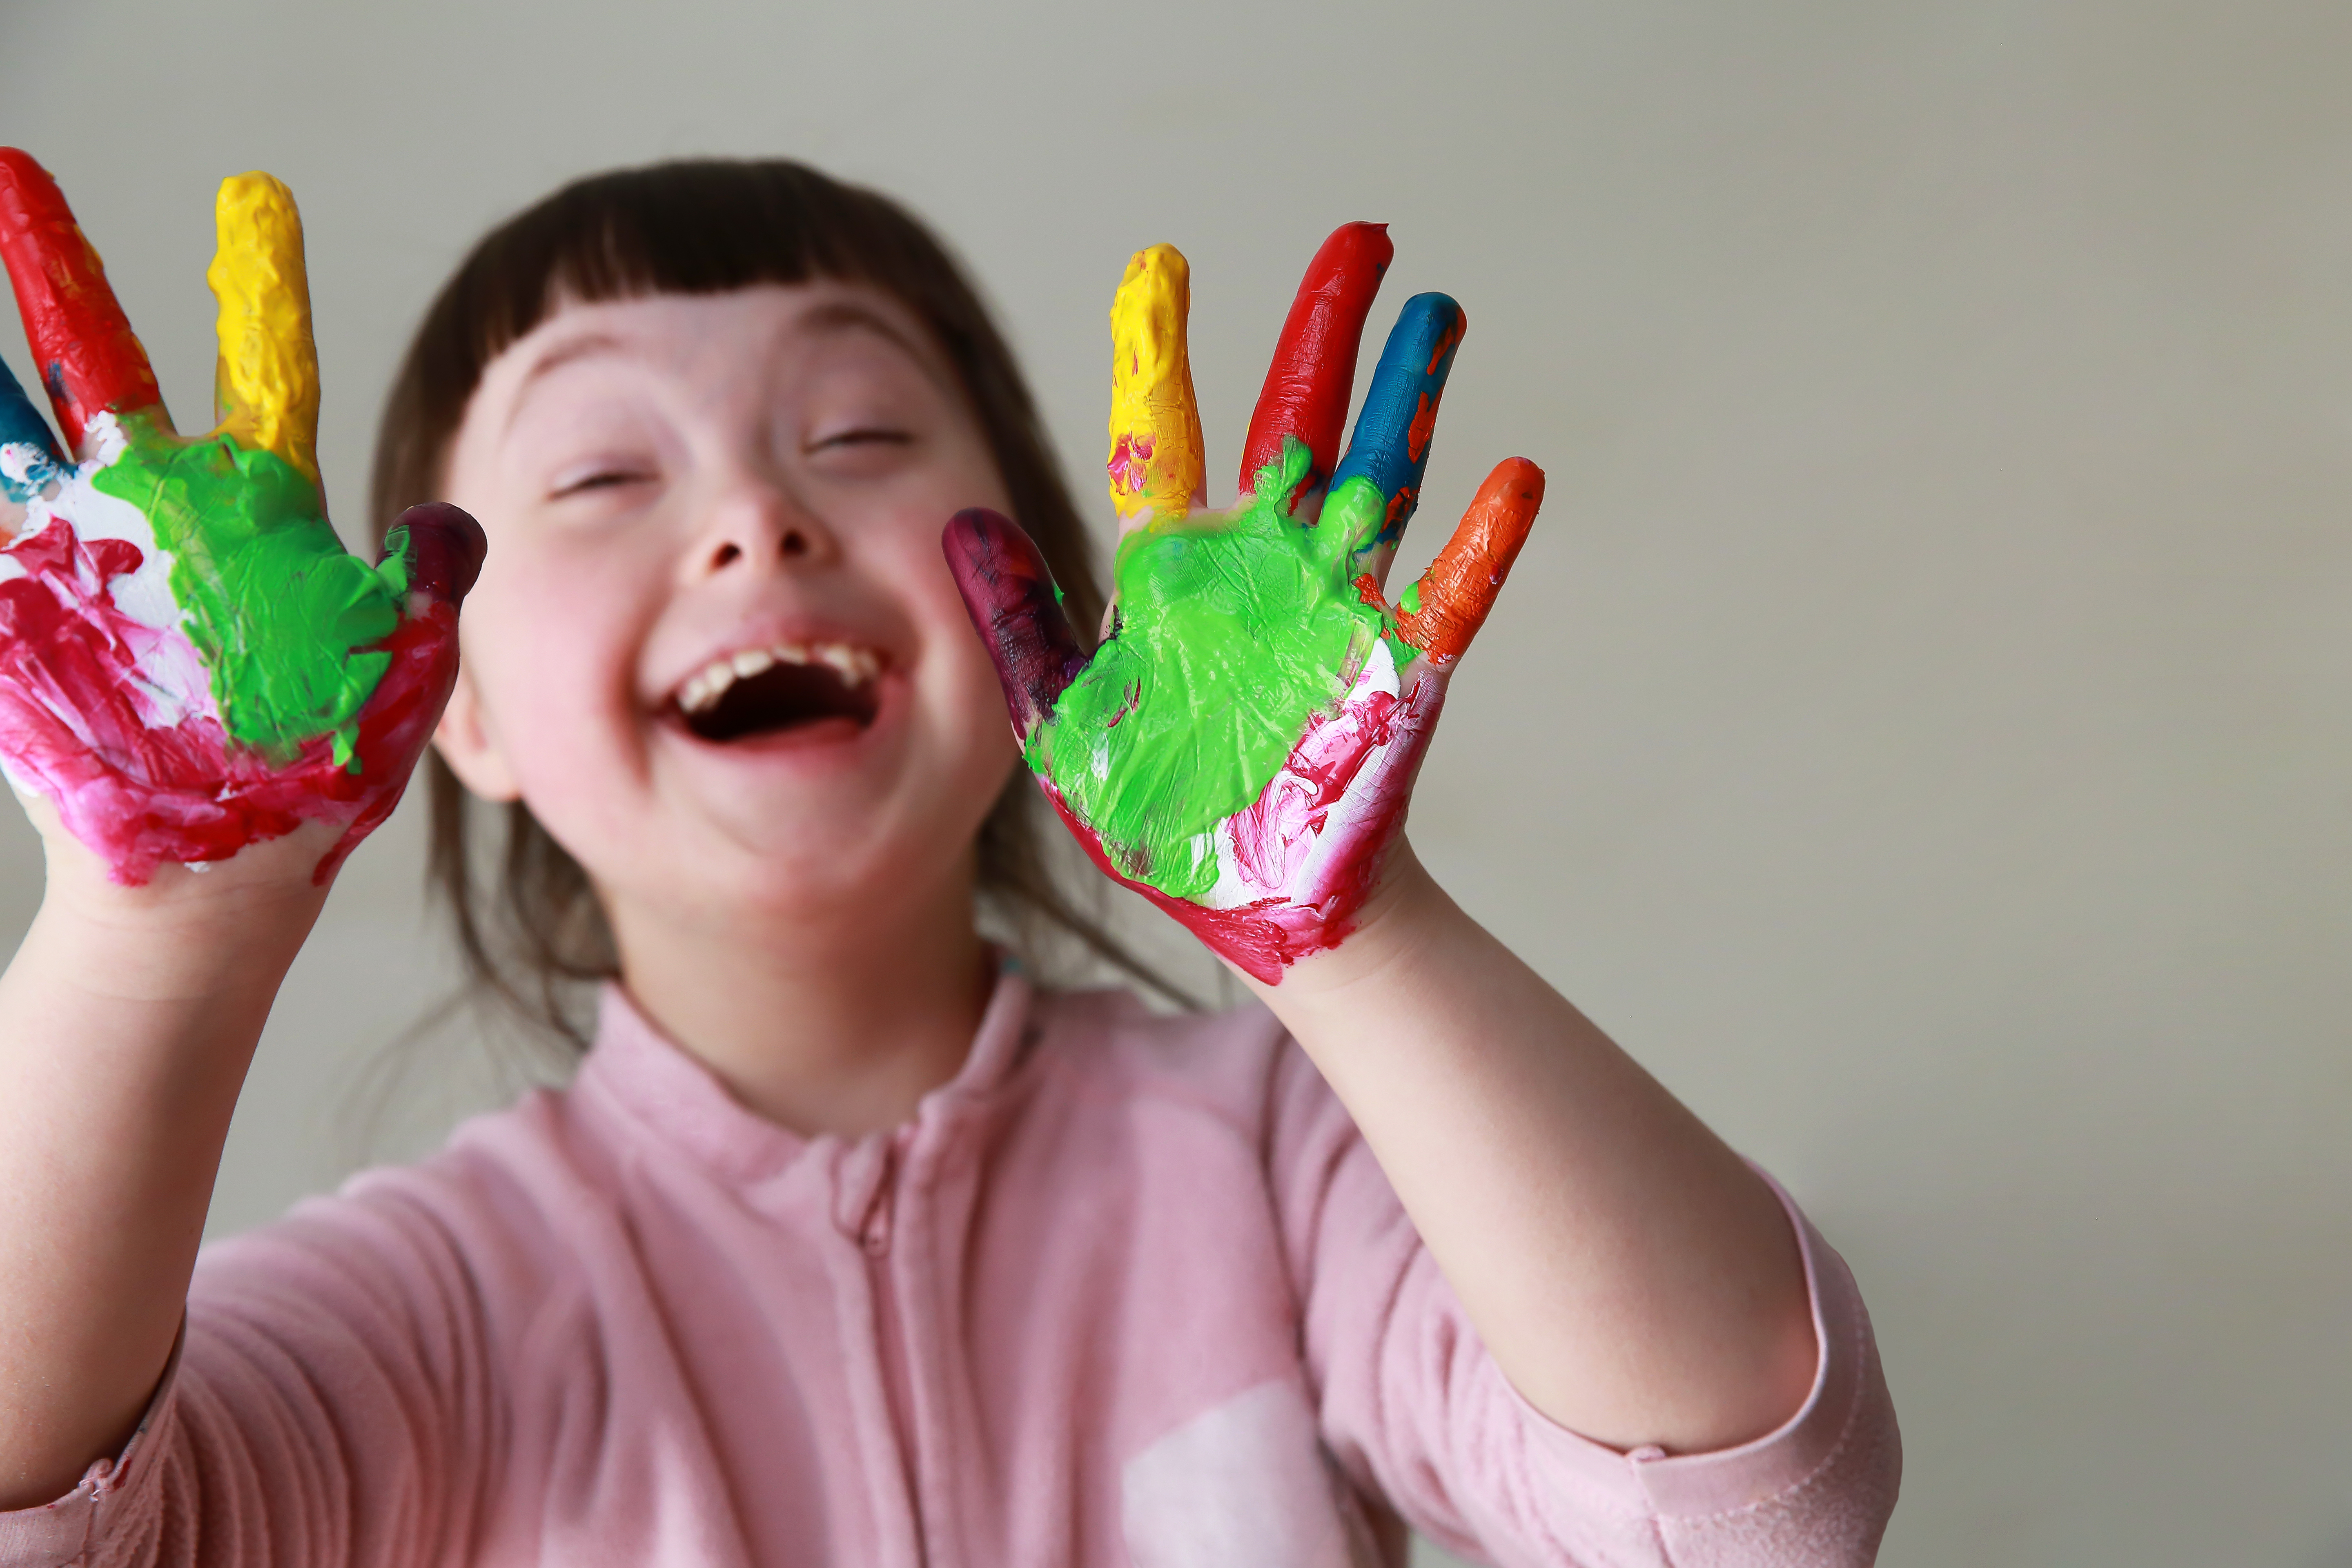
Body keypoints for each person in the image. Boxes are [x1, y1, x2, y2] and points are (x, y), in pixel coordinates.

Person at [0, 152, 1899, 1566]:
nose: (757, 518)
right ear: (456, 702)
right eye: (604, 474)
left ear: (1050, 610)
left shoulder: (1274, 1167)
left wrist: (1359, 942)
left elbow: (1756, 1500)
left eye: (858, 433)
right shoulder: (440, 1310)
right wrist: (156, 930)